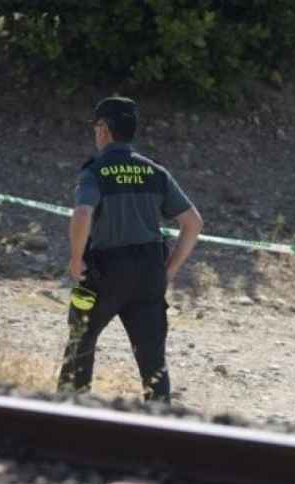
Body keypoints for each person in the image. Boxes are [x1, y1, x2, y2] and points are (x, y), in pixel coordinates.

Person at [58, 96, 204, 403]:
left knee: (80, 347)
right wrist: (170, 270)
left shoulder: (94, 171)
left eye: (97, 126)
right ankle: (160, 427)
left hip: (105, 272)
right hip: (150, 272)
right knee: (153, 363)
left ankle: (69, 419)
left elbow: (83, 214)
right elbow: (192, 222)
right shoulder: (155, 172)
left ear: (105, 129)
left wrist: (75, 259)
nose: (95, 132)